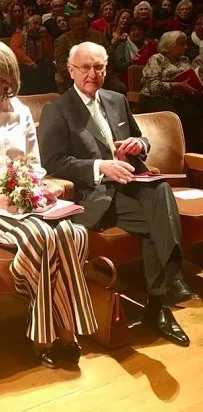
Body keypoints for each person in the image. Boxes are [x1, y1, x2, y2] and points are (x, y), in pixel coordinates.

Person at [0, 40, 97, 368]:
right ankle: (54, 334)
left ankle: (60, 331)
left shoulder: (21, 112)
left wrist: (30, 185)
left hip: (21, 197)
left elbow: (34, 165)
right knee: (42, 236)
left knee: (72, 232)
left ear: (7, 83)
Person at [38, 41, 199, 348]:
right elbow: (53, 163)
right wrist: (101, 166)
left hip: (133, 187)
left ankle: (159, 303)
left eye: (99, 66)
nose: (92, 73)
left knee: (160, 189)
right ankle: (165, 294)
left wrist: (140, 145)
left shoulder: (116, 99)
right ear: (71, 70)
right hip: (95, 195)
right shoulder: (56, 110)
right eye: (85, 67)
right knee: (158, 217)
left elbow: (139, 136)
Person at [140, 31, 202, 153]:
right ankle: (173, 152)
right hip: (157, 98)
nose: (186, 47)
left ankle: (193, 155)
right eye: (182, 44)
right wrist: (176, 86)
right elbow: (152, 86)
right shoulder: (157, 59)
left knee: (196, 113)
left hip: (181, 98)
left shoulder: (184, 60)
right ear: (171, 45)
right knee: (174, 116)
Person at [10, 14, 57, 94]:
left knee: (48, 70)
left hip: (41, 64)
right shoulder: (18, 35)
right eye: (35, 23)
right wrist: (30, 63)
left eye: (39, 23)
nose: (37, 25)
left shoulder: (44, 35)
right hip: (23, 65)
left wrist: (45, 36)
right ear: (28, 24)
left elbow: (49, 52)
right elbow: (16, 50)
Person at [114, 19, 157, 84]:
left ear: (143, 32)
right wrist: (131, 62)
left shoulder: (151, 45)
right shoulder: (123, 46)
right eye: (133, 30)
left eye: (139, 29)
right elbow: (118, 67)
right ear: (129, 32)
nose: (136, 32)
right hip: (128, 81)